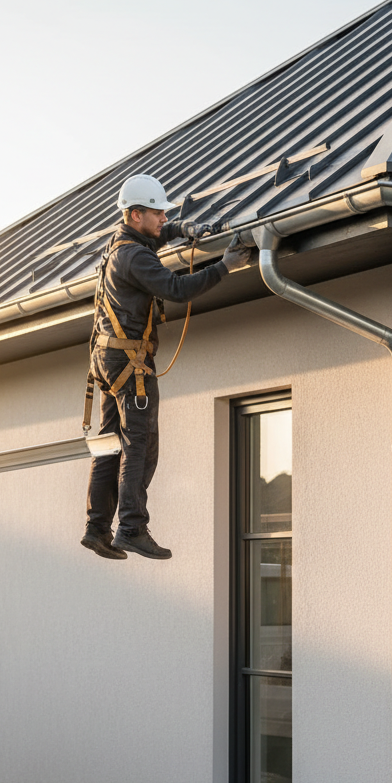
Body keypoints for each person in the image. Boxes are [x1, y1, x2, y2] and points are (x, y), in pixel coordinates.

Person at [82, 174, 250, 560]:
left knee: (110, 446)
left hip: (107, 360)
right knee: (140, 445)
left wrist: (182, 229)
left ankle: (96, 528)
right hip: (130, 363)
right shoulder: (136, 256)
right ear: (136, 213)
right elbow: (176, 289)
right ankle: (131, 528)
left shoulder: (119, 245)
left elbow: (157, 235)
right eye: (157, 213)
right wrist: (225, 265)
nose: (162, 218)